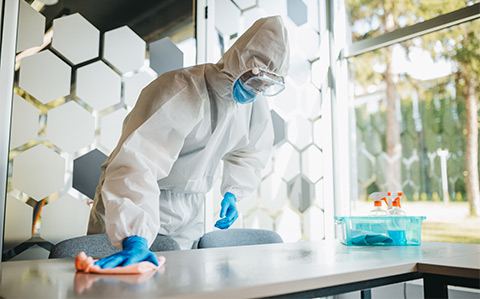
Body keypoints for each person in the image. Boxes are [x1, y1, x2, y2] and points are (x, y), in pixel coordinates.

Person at [87, 16, 289, 268]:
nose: (257, 90)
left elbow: (250, 152)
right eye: (255, 78)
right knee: (116, 284)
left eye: (265, 85)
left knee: (181, 285)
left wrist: (233, 192)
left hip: (189, 211)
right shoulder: (181, 88)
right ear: (240, 61)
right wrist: (134, 236)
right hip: (135, 201)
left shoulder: (252, 106)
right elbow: (138, 163)